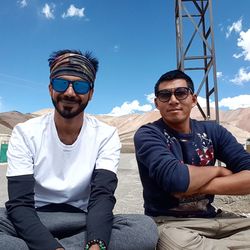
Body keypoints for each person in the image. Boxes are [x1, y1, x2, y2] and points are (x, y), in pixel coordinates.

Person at [0, 49, 158, 250]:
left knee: (143, 228)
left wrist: (96, 244)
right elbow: (20, 204)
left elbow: (102, 196)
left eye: (81, 86)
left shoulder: (106, 135)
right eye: (61, 83)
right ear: (50, 89)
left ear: (91, 93)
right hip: (35, 216)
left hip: (83, 219)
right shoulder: (25, 132)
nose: (69, 92)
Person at [134, 69, 250, 250]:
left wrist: (191, 185)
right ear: (157, 103)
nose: (173, 100)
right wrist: (218, 171)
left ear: (193, 99)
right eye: (165, 95)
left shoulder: (214, 132)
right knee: (177, 246)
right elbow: (176, 180)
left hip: (215, 218)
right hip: (169, 224)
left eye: (181, 93)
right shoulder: (148, 134)